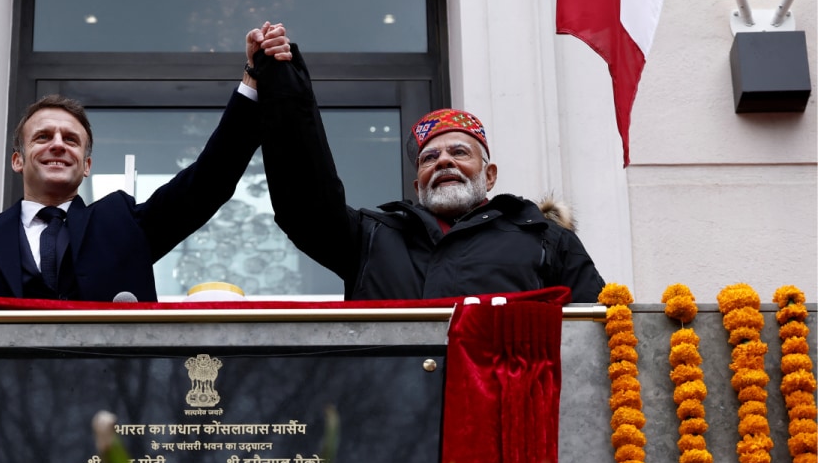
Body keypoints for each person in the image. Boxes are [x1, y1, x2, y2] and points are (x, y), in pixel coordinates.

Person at [0, 23, 292, 301]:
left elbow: (207, 182)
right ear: (18, 160)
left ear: (87, 166)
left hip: (114, 390)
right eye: (43, 137)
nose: (58, 145)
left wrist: (253, 82)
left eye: (71, 140)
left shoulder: (122, 225)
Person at [252, 43, 605, 303]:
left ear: (490, 175)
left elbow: (594, 335)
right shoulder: (370, 237)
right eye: (429, 158)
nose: (443, 162)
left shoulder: (545, 239)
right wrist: (283, 83)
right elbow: (304, 203)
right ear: (417, 184)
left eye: (459, 152)